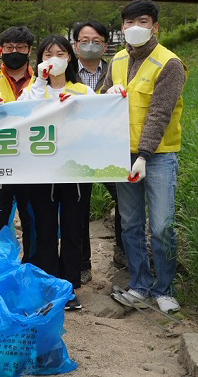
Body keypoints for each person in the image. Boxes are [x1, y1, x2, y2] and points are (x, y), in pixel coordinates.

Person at [104, 0, 187, 314]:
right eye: (128, 22)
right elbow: (101, 102)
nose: (134, 28)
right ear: (122, 26)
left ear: (155, 26)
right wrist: (105, 94)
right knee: (131, 223)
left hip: (159, 156)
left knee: (162, 225)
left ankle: (164, 289)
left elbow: (159, 112)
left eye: (142, 21)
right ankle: (139, 284)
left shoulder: (169, 63)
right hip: (122, 153)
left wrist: (145, 154)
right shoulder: (118, 60)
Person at [19, 34, 94, 311]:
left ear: (70, 57)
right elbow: (24, 111)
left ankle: (70, 286)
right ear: (39, 61)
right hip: (41, 172)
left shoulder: (83, 91)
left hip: (75, 172)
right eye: (47, 54)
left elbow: (100, 119)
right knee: (46, 228)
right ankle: (50, 284)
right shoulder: (33, 89)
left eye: (60, 54)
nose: (54, 60)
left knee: (74, 228)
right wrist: (39, 81)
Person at [72, 20, 125, 283]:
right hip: (74, 150)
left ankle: (122, 252)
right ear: (75, 45)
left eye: (96, 41)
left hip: (109, 147)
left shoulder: (118, 69)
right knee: (78, 207)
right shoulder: (65, 71)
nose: (89, 45)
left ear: (105, 45)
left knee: (124, 198)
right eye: (84, 40)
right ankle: (82, 264)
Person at [0, 27, 36, 263]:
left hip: (32, 163)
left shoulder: (41, 83)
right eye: (8, 48)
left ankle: (32, 267)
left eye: (20, 48)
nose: (14, 53)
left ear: (29, 50)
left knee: (32, 220)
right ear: (0, 50)